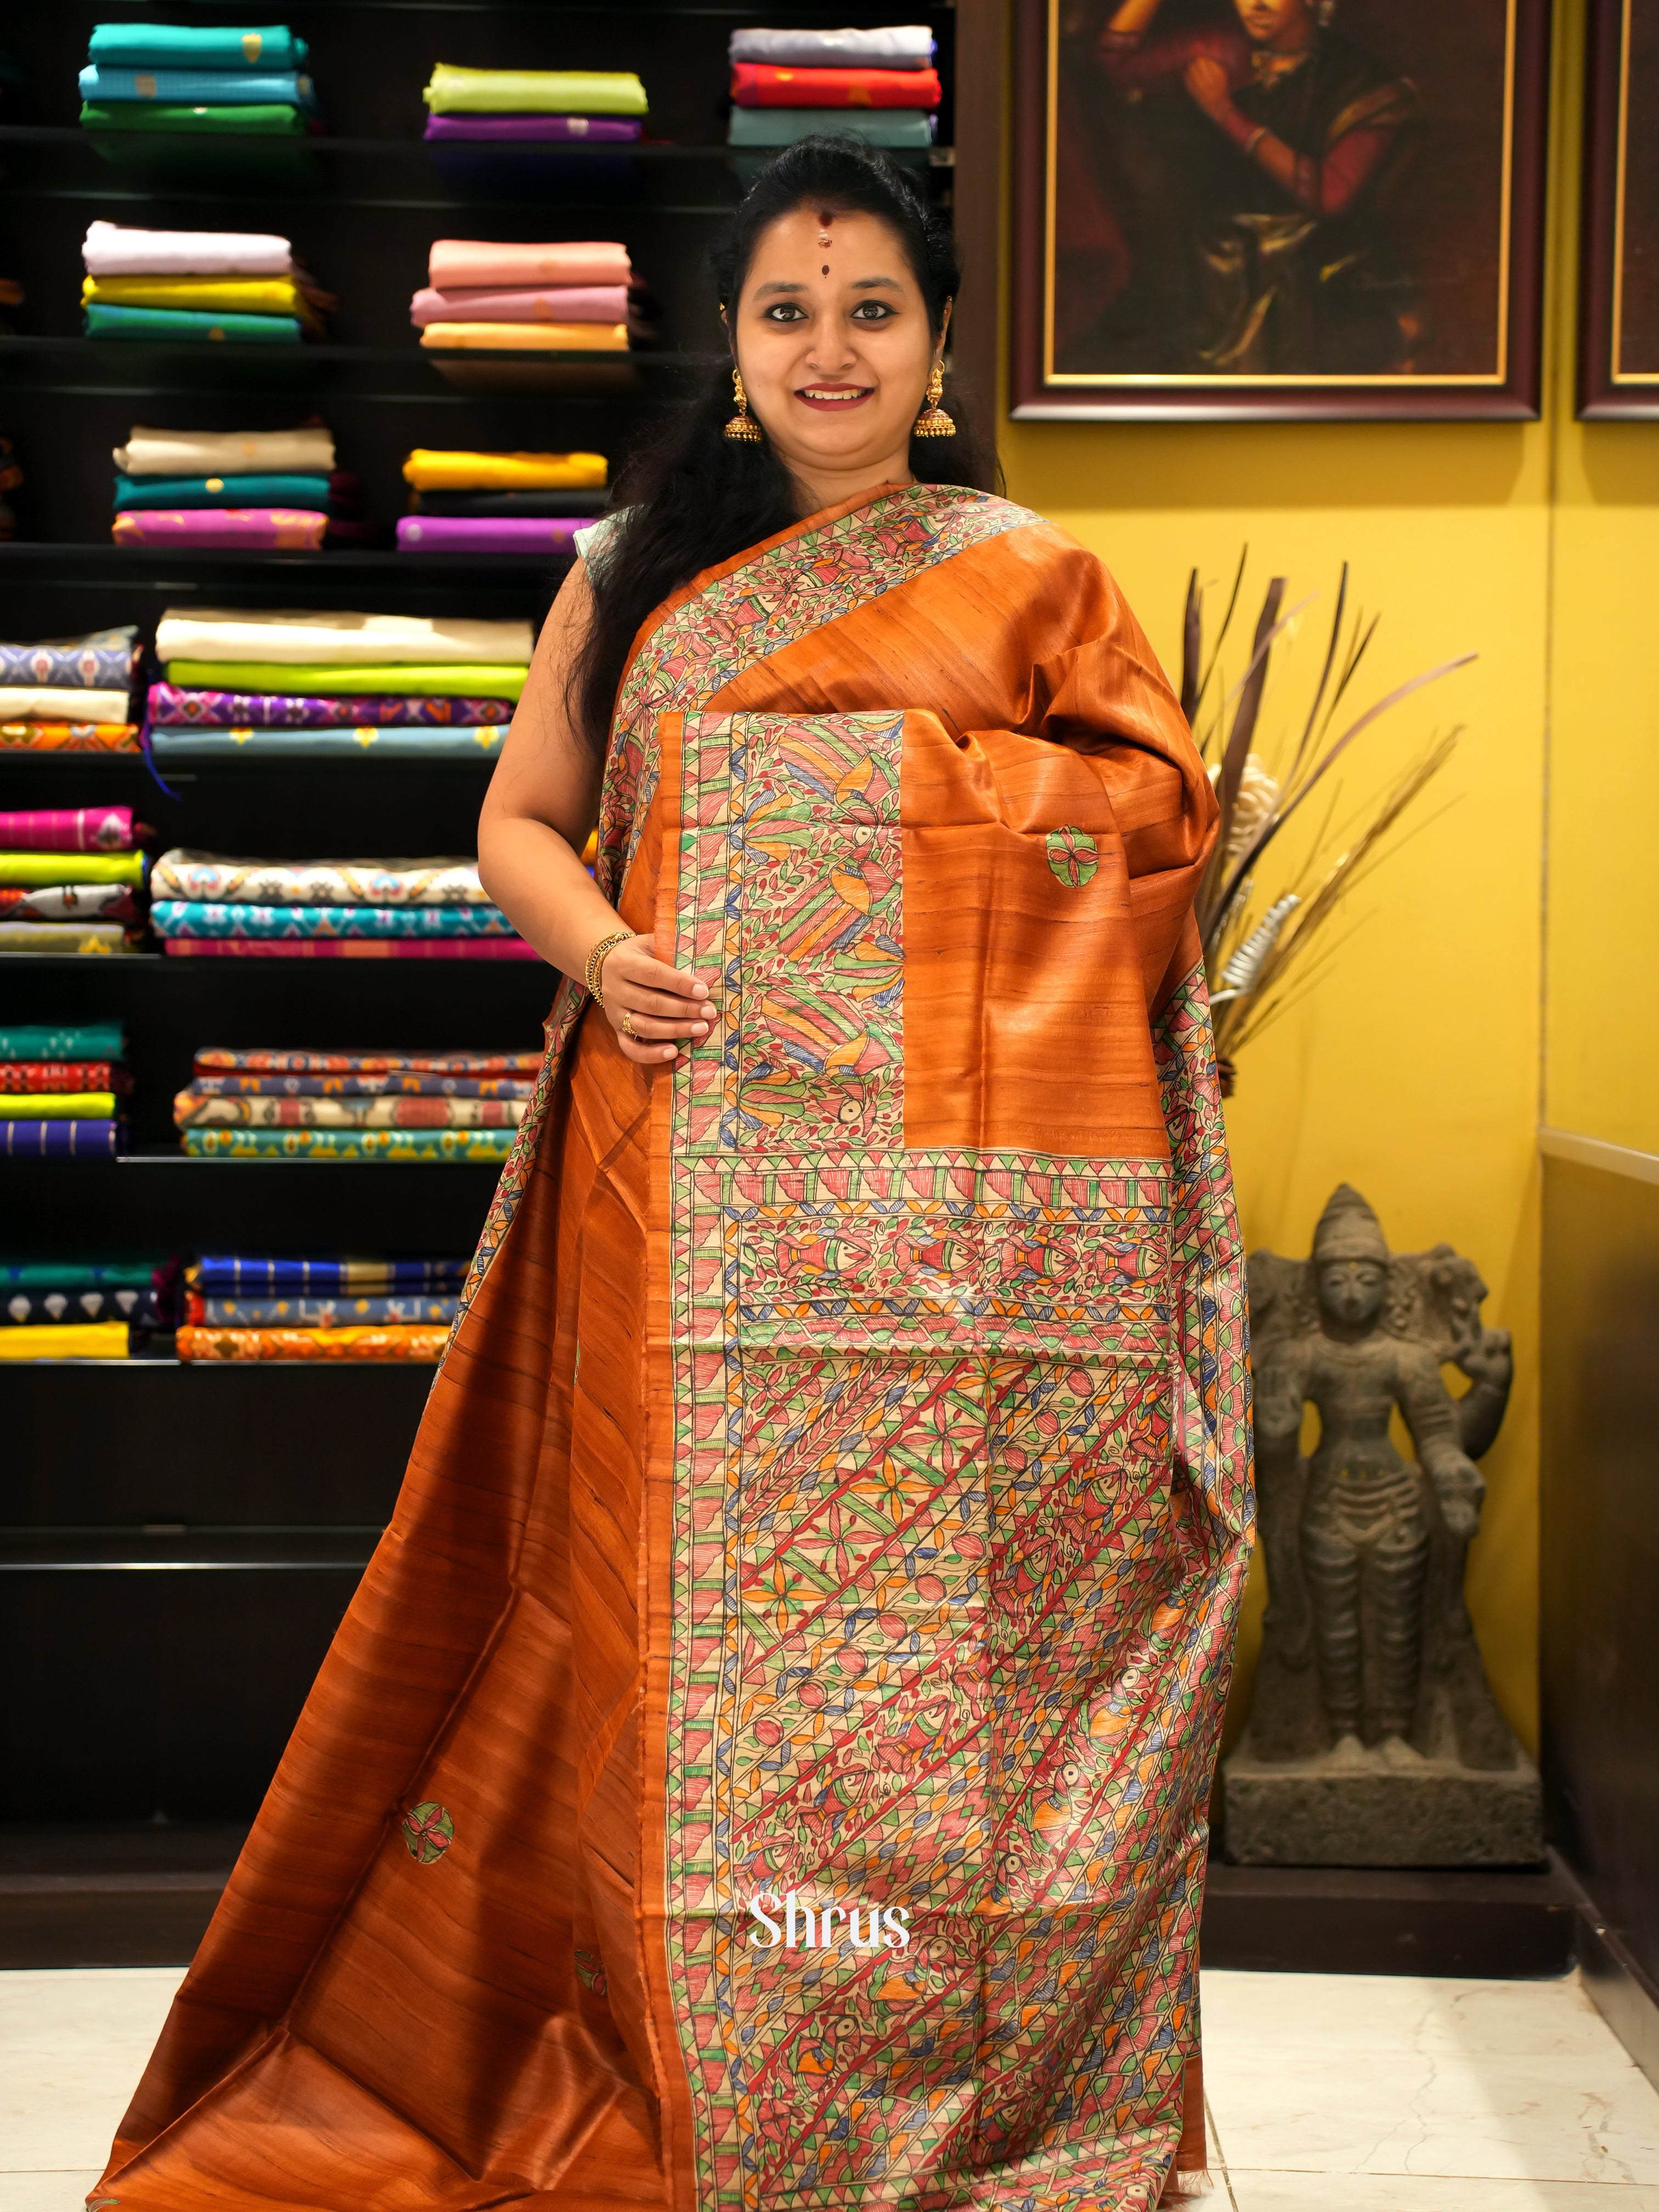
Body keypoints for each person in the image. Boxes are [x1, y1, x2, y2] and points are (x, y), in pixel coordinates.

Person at [94, 139, 1252, 2212]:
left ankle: (931, 2061)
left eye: (872, 310)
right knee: (657, 1635)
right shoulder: (631, 568)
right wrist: (611, 944)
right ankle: (671, 2042)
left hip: (965, 1246)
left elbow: (1148, 830)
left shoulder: (1033, 579)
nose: (830, 349)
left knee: (947, 1670)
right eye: (787, 310)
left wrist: (859, 812)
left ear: (939, 346)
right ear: (729, 343)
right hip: (679, 1169)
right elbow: (516, 825)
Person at [1093, 0, 1425, 374]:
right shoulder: (1221, 47)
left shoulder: (1362, 83)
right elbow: (1113, 61)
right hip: (1214, 273)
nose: (1257, 4)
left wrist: (1226, 115)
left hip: (1315, 279)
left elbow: (1328, 194)